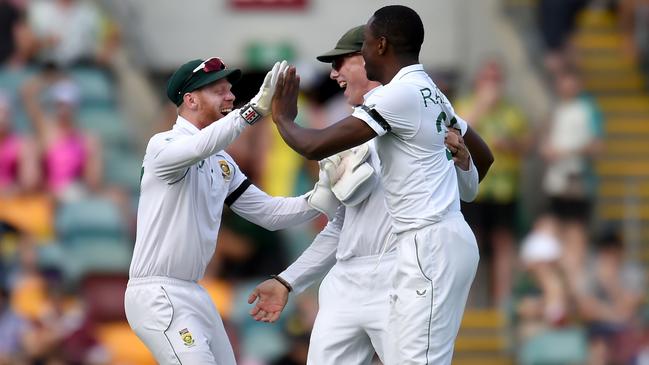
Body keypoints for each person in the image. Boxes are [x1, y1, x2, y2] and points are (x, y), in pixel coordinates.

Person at [248, 25, 492, 365]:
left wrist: (283, 119)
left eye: (340, 62)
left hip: (401, 272)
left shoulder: (413, 113)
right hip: (346, 282)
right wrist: (288, 281)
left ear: (369, 59)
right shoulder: (356, 126)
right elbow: (340, 225)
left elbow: (476, 169)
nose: (333, 74)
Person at [123, 57, 321, 365]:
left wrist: (327, 195)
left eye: (230, 90)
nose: (229, 96)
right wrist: (253, 111)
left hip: (195, 292)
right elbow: (198, 148)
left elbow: (269, 214)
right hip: (158, 292)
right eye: (218, 90)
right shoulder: (163, 145)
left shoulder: (221, 162)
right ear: (189, 100)